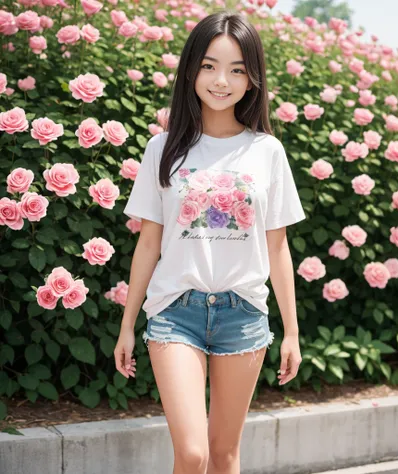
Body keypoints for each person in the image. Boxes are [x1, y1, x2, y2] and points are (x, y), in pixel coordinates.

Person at [114, 10, 306, 474]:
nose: (222, 80)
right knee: (194, 453)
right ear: (191, 70)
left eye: (237, 69)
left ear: (252, 79)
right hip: (175, 310)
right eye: (209, 66)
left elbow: (277, 246)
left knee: (223, 455)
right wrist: (127, 324)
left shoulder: (267, 151)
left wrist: (293, 332)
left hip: (243, 314)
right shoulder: (163, 149)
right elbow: (148, 243)